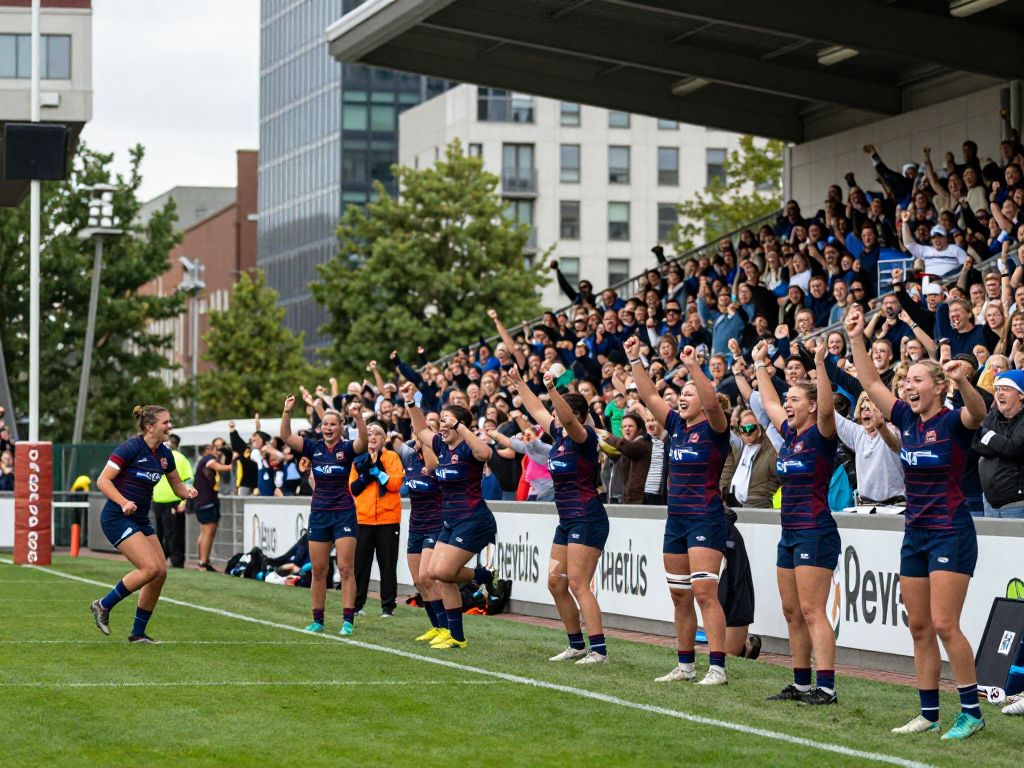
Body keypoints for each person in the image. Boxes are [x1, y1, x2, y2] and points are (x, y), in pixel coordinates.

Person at [846, 304, 988, 740]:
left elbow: (979, 414)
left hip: (951, 530)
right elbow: (870, 380)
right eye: (906, 381)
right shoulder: (906, 417)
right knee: (920, 626)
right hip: (916, 533)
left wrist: (964, 380)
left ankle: (972, 711)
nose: (907, 386)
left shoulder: (953, 420)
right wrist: (856, 336)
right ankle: (929, 712)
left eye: (916, 380)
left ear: (938, 387)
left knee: (946, 624)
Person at [624, 335, 731, 687]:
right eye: (680, 394)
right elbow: (650, 396)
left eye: (689, 393)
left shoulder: (714, 428)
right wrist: (635, 360)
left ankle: (717, 668)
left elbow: (714, 404)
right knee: (680, 595)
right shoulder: (675, 426)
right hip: (676, 520)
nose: (682, 397)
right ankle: (685, 665)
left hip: (706, 518)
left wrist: (693, 367)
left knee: (704, 594)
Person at [753, 341, 840, 706]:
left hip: (815, 531)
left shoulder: (821, 435)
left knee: (811, 610)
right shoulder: (789, 434)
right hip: (790, 532)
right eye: (787, 398)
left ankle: (827, 688)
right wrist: (759, 364)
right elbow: (768, 402)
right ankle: (801, 684)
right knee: (791, 611)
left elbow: (828, 406)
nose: (787, 404)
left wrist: (819, 364)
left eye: (795, 399)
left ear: (812, 405)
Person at [508, 365, 610, 665]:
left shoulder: (583, 436)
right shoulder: (560, 435)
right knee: (556, 582)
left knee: (579, 583)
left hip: (587, 517)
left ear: (574, 414)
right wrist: (518, 383)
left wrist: (553, 390)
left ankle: (599, 649)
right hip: (567, 520)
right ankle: (576, 644)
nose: (552, 417)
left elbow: (562, 415)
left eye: (558, 412)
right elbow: (537, 409)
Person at [403, 381, 498, 650]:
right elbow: (421, 429)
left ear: (461, 425)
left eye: (447, 422)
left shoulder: (469, 448)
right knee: (435, 573)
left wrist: (459, 427)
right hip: (450, 520)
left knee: (443, 572)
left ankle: (482, 577)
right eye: (442, 421)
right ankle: (455, 635)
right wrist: (411, 403)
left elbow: (486, 453)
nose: (442, 426)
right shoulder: (441, 446)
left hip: (474, 519)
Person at [90, 405, 197, 643]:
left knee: (160, 573)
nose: (170, 426)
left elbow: (177, 486)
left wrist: (188, 492)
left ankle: (138, 634)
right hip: (117, 517)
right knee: (149, 568)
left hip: (139, 519)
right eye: (166, 422)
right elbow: (103, 481)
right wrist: (123, 501)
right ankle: (102, 605)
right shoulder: (130, 448)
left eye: (170, 422)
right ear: (150, 427)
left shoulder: (164, 454)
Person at [280, 396, 367, 636]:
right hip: (319, 514)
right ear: (320, 428)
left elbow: (364, 442)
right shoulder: (313, 447)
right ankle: (317, 620)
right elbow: (286, 437)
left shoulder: (347, 448)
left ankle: (347, 621)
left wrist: (359, 418)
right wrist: (287, 412)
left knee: (346, 568)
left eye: (332, 424)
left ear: (340, 427)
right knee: (318, 570)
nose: (328, 428)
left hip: (344, 514)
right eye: (325, 424)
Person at [392, 427, 445, 641]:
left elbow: (434, 468)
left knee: (427, 577)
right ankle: (436, 626)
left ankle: (446, 628)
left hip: (435, 524)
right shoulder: (411, 459)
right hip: (416, 525)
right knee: (418, 581)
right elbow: (394, 443)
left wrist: (425, 443)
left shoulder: (439, 459)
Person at [351, 423, 405, 618]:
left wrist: (378, 471)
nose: (373, 437)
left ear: (384, 440)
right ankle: (357, 606)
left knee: (388, 565)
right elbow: (353, 488)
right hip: (363, 520)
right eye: (369, 433)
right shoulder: (358, 460)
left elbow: (395, 483)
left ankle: (387, 608)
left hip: (388, 520)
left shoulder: (392, 457)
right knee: (360, 565)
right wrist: (367, 474)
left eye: (377, 434)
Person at [973, 370, 1024, 518]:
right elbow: (977, 445)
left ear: (1021, 394)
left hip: (1017, 504)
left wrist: (987, 435)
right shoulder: (993, 416)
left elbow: (1014, 449)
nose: (999, 393)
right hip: (988, 503)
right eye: (998, 389)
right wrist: (1000, 444)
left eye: (1006, 389)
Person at [150, 434, 193, 568]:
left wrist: (183, 502)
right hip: (158, 500)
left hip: (174, 501)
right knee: (162, 533)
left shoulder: (179, 458)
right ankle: (162, 559)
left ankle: (177, 561)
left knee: (174, 533)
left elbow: (188, 480)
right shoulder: (159, 456)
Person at [192, 444, 232, 571]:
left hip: (202, 502)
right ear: (207, 450)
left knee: (204, 533)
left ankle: (203, 561)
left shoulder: (203, 461)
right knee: (208, 532)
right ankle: (203, 563)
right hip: (207, 502)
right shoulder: (207, 459)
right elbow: (220, 467)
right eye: (216, 448)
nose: (218, 451)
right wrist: (236, 464)